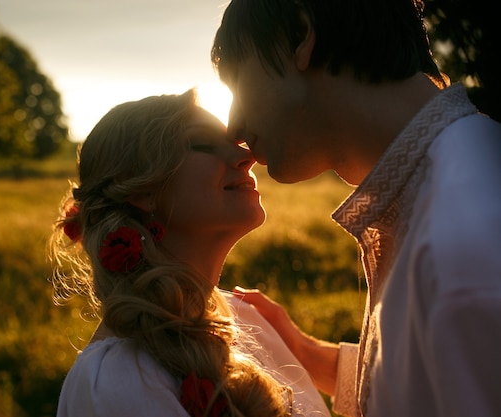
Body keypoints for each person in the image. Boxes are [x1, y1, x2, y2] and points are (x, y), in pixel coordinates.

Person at [210, 0, 501, 416]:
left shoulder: (465, 240)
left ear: (300, 37)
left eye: (237, 82)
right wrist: (306, 354)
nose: (233, 128)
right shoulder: (444, 191)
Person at [48, 89, 330, 417]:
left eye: (235, 143)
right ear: (142, 188)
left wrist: (307, 351)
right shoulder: (117, 380)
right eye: (204, 144)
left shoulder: (247, 319)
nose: (247, 157)